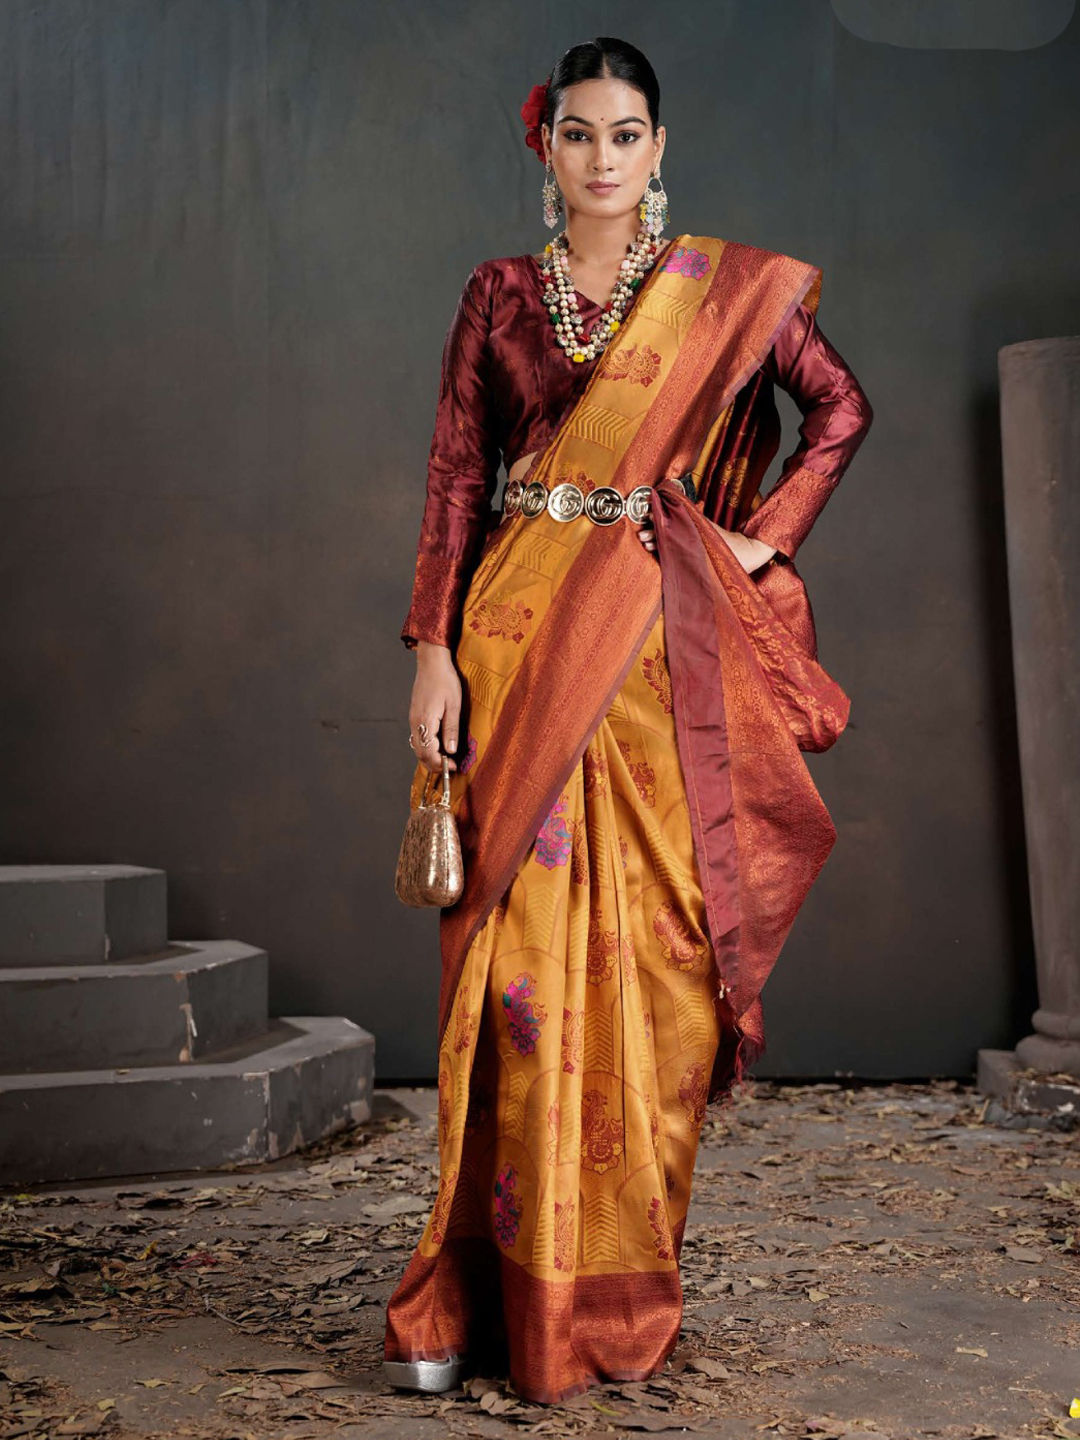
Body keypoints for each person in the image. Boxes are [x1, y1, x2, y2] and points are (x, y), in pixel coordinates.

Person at [383, 35, 873, 1407]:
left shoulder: (722, 292)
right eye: (578, 134)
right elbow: (455, 477)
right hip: (517, 646)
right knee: (516, 984)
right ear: (545, 148)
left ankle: (613, 1292)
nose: (601, 158)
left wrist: (758, 542)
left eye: (626, 134)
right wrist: (431, 653)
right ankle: (482, 1298)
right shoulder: (497, 294)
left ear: (660, 150)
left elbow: (841, 409)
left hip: (656, 662)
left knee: (656, 975)